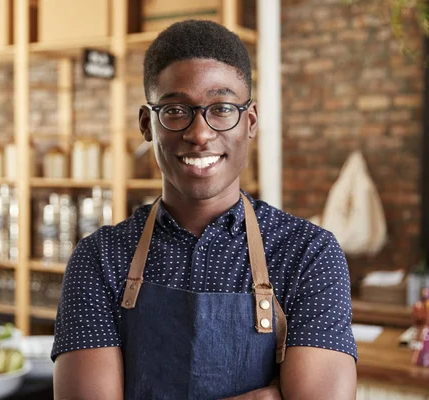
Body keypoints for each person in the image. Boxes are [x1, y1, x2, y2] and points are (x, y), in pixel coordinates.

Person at [52, 19, 358, 400]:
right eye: (177, 110)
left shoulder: (308, 254)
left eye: (222, 108)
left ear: (250, 122)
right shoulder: (100, 259)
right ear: (148, 125)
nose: (199, 134)